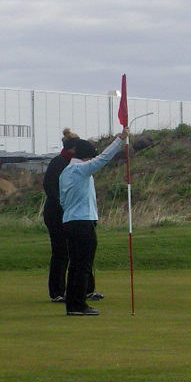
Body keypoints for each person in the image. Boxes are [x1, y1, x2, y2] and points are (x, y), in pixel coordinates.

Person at [59, 128, 128, 316]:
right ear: (86, 156)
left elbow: (62, 200)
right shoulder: (81, 169)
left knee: (75, 266)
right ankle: (79, 304)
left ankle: (72, 305)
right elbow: (103, 159)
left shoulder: (65, 172)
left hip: (69, 221)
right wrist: (120, 140)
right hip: (82, 222)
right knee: (83, 265)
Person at [42, 128, 100, 302]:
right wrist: (64, 207)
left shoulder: (79, 165)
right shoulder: (59, 163)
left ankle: (86, 289)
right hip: (56, 214)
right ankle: (58, 292)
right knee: (61, 253)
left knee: (82, 253)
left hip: (73, 214)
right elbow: (50, 188)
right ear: (72, 149)